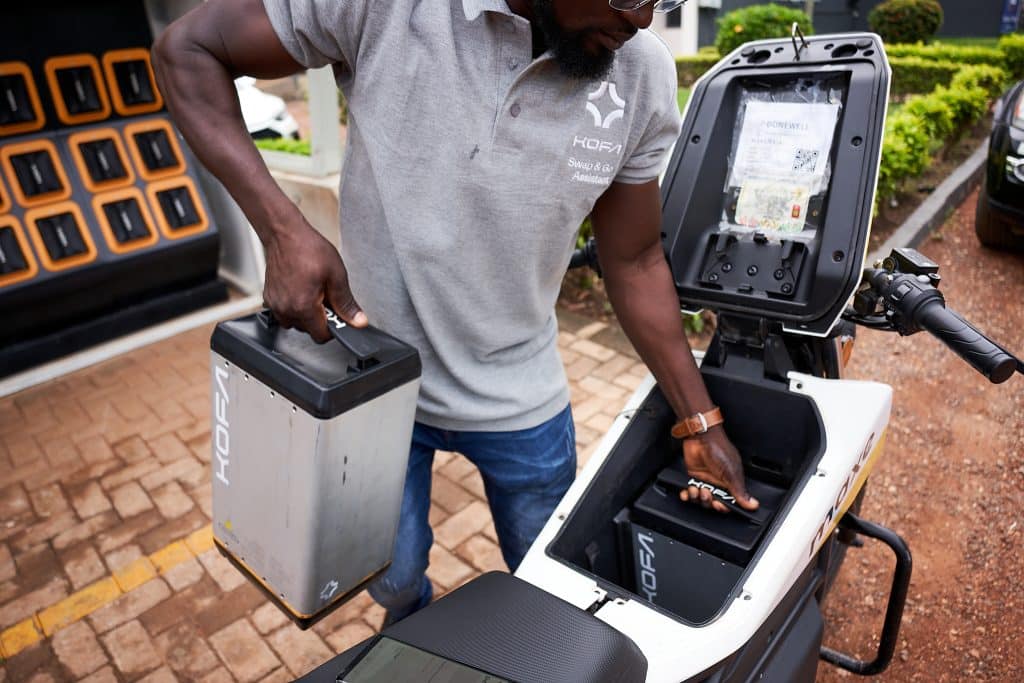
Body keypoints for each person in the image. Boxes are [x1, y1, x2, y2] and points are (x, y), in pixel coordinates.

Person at [154, 0, 759, 624]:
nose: (643, 21)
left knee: (554, 592)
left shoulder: (641, 74)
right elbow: (188, 50)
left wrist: (701, 420)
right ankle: (410, 616)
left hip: (520, 394)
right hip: (371, 383)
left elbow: (633, 263)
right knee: (392, 577)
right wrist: (282, 232)